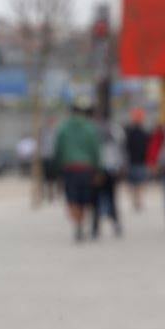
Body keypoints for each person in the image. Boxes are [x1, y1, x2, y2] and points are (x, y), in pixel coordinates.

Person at [54, 97, 100, 241]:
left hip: (69, 168)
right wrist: (99, 169)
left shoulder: (63, 127)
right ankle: (81, 222)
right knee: (84, 199)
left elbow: (58, 149)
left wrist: (57, 169)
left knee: (72, 198)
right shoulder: (90, 128)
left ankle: (77, 224)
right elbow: (96, 150)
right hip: (87, 168)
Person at [92, 118, 125, 238]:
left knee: (98, 200)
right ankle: (110, 224)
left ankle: (96, 227)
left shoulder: (97, 132)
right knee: (110, 199)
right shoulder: (114, 132)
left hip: (105, 169)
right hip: (110, 169)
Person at [124, 107, 151, 211]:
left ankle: (137, 200)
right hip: (134, 160)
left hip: (138, 161)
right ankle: (136, 200)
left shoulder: (141, 131)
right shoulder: (130, 131)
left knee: (137, 183)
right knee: (135, 183)